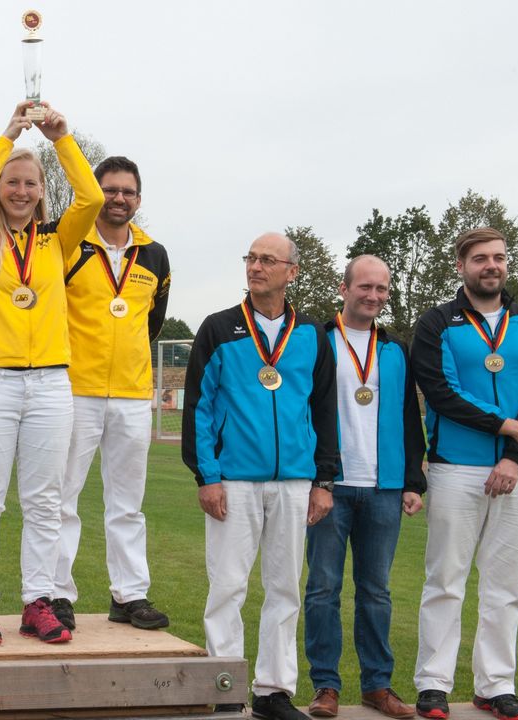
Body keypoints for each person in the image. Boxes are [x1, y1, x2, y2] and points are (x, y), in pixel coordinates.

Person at [0, 100, 104, 646]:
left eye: (30, 183)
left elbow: (89, 196)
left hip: (49, 383)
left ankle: (38, 601)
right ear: (0, 186)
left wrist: (61, 138)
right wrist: (7, 137)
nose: (20, 191)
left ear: (42, 190)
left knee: (45, 499)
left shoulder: (56, 241)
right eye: (11, 182)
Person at [181, 232, 338, 720]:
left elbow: (325, 411)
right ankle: (225, 685)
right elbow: (199, 408)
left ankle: (273, 691)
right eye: (250, 258)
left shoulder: (311, 335)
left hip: (294, 481)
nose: (255, 266)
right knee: (228, 584)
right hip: (234, 480)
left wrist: (323, 480)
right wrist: (206, 475)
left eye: (267, 260)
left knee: (285, 586)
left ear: (292, 271)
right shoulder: (219, 328)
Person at [410, 227, 518, 720]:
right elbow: (442, 392)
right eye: (479, 258)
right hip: (456, 470)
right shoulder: (437, 323)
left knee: (505, 585)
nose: (490, 265)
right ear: (461, 266)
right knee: (445, 581)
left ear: (506, 264)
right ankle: (433, 684)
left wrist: (514, 456)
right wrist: (506, 426)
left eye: (498, 257)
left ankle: (495, 685)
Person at [303, 255, 425, 719]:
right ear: (344, 288)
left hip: (384, 488)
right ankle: (326, 687)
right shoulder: (317, 341)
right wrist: (318, 478)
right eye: (365, 287)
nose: (373, 296)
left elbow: (407, 417)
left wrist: (413, 480)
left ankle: (377, 686)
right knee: (322, 590)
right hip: (330, 487)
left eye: (382, 290)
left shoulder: (395, 349)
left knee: (376, 591)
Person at [52, 155, 171, 631]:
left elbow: (153, 321)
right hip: (74, 389)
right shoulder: (68, 243)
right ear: (96, 193)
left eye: (129, 191)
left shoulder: (156, 254)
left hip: (131, 394)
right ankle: (56, 593)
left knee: (128, 503)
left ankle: (129, 595)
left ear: (139, 198)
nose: (119, 198)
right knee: (62, 499)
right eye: (111, 190)